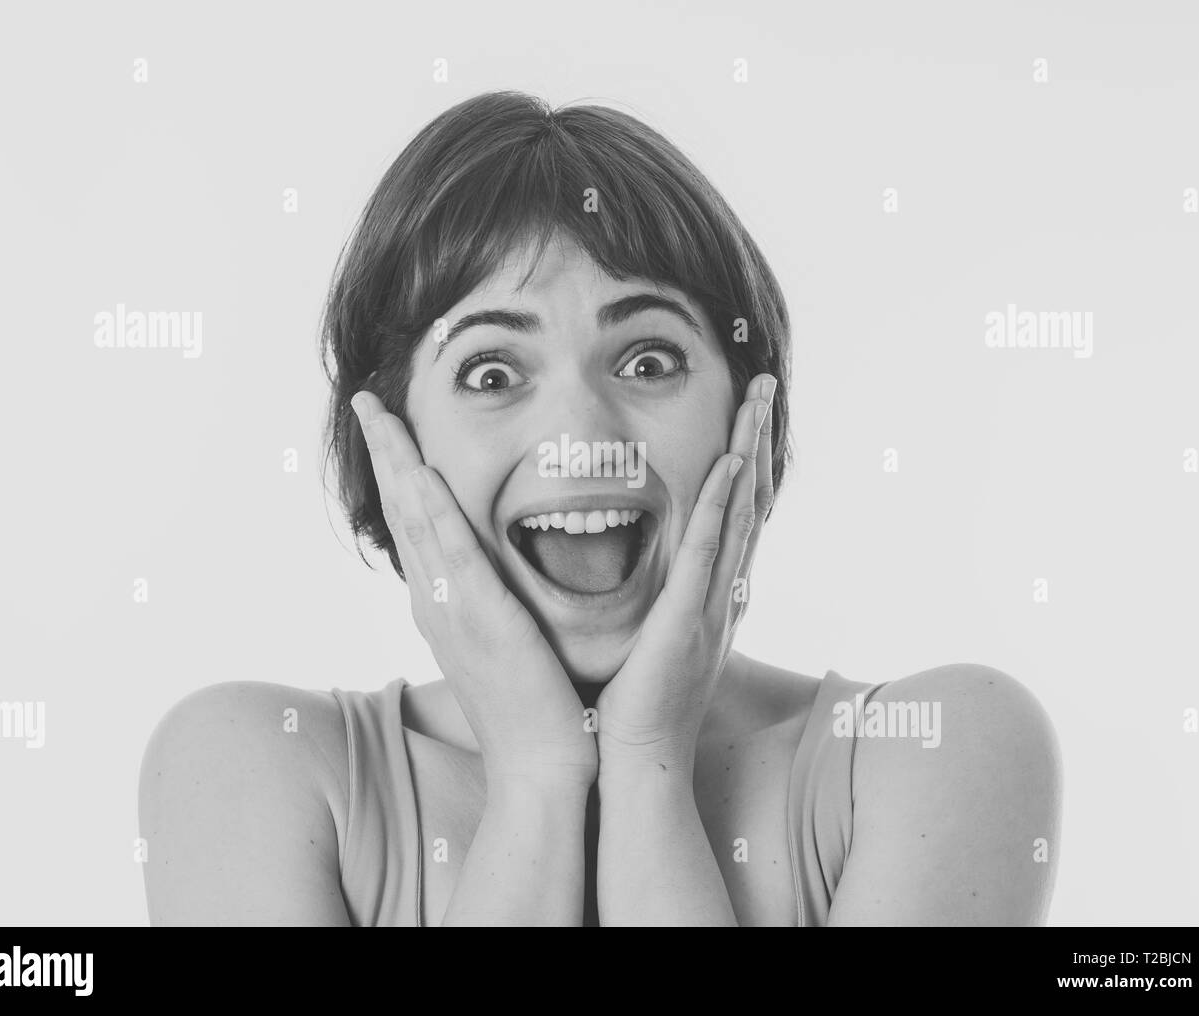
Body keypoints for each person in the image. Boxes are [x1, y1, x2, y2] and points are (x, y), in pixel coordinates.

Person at [139, 91, 1061, 926]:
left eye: (647, 361)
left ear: (749, 419)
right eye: (493, 373)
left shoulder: (940, 751)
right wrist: (540, 778)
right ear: (392, 451)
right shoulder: (252, 769)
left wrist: (649, 765)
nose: (580, 433)